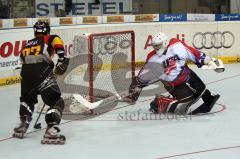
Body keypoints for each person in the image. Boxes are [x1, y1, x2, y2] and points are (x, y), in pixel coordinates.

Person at [125, 32, 224, 115]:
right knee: (185, 106)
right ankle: (159, 103)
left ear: (165, 43)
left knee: (201, 89)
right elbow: (141, 78)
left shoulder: (176, 45)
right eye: (154, 46)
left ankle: (208, 97)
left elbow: (194, 54)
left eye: (158, 45)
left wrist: (209, 61)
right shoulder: (152, 58)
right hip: (174, 85)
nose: (156, 48)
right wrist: (133, 92)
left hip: (186, 74)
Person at [13, 21, 69, 144]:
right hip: (42, 72)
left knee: (27, 100)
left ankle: (23, 125)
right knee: (55, 100)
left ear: (35, 31)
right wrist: (62, 59)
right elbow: (58, 46)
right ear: (47, 31)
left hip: (26, 74)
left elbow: (22, 59)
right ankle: (51, 130)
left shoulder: (28, 43)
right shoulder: (51, 37)